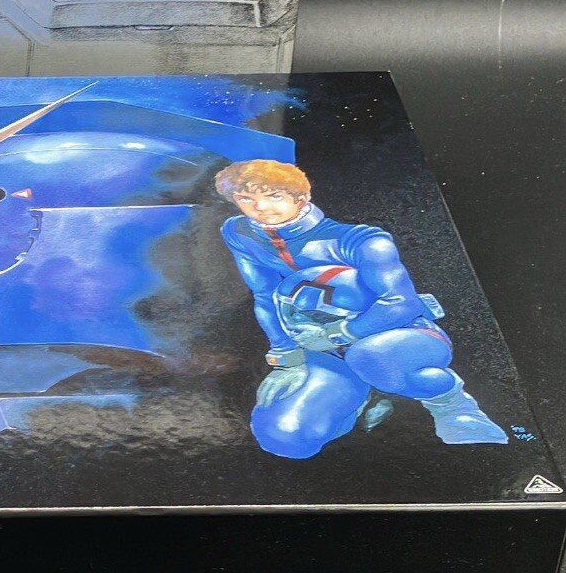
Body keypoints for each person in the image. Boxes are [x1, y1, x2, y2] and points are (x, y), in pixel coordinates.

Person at [215, 160, 508, 459]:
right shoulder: (240, 232)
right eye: (246, 198)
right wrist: (287, 358)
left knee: (371, 356)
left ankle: (452, 405)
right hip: (320, 345)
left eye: (274, 196)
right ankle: (363, 400)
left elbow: (401, 303)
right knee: (285, 436)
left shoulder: (361, 240)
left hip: (398, 335)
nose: (260, 207)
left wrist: (339, 333)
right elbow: (264, 295)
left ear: (301, 197)